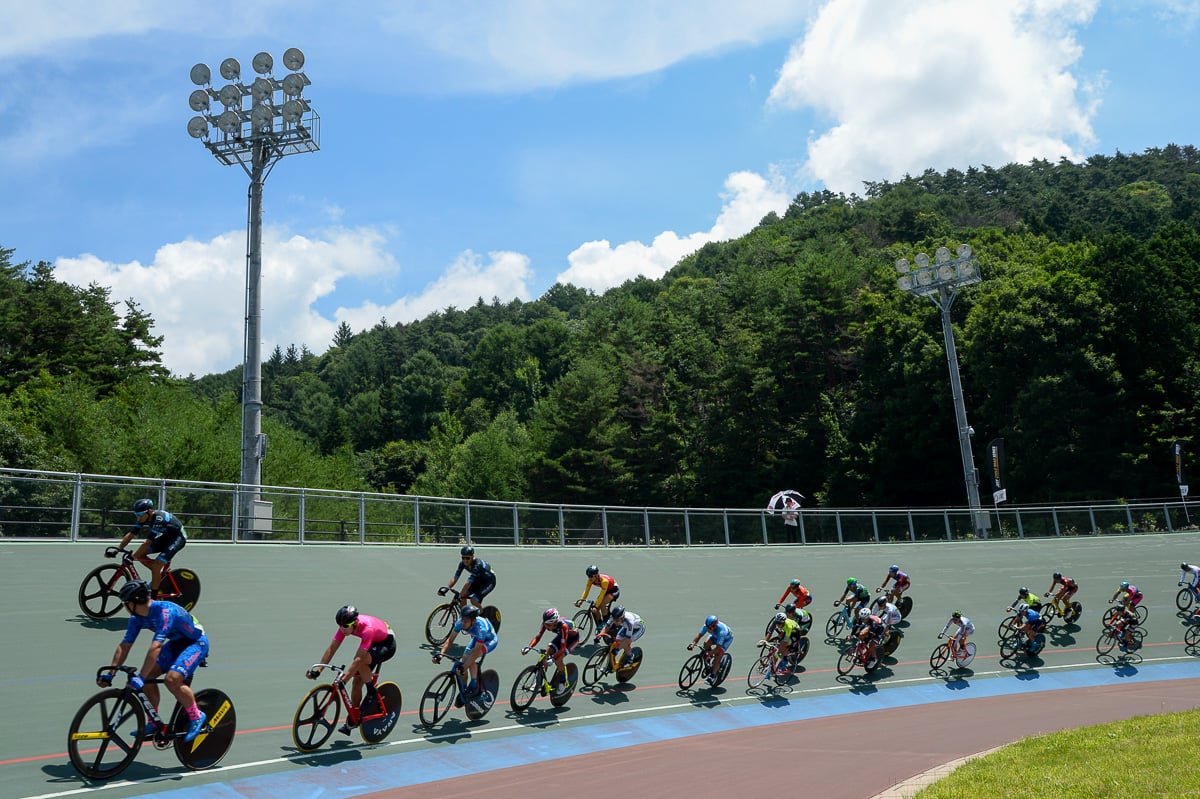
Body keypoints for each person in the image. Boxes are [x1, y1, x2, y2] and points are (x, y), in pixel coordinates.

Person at [98, 579, 209, 743]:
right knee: (149, 677)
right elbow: (125, 645)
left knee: (171, 680)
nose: (124, 607)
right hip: (176, 643)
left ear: (134, 602)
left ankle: (197, 715)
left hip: (195, 643)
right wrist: (111, 673)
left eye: (125, 603)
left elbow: (156, 647)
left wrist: (140, 678)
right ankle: (153, 721)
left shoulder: (165, 612)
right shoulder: (137, 618)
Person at [307, 605, 396, 734]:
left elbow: (359, 659)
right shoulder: (345, 626)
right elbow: (332, 648)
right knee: (356, 684)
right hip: (372, 642)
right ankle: (355, 717)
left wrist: (344, 679)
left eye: (344, 627)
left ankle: (371, 691)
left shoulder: (367, 629)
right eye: (339, 626)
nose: (341, 629)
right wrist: (319, 670)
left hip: (386, 644)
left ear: (354, 623)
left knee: (359, 660)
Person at [115, 498, 186, 598]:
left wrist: (133, 557)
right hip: (166, 537)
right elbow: (131, 534)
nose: (138, 518)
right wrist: (118, 549)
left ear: (149, 512)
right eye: (136, 515)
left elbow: (147, 542)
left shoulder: (159, 519)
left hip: (177, 539)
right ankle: (159, 574)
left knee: (155, 565)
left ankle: (153, 595)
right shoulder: (144, 517)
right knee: (141, 556)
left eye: (140, 515)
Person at [433, 604, 498, 699]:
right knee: (464, 659)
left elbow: (475, 652)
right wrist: (441, 655)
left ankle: (474, 685)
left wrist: (464, 667)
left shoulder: (481, 628)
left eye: (466, 621)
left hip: (489, 640)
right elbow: (450, 640)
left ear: (473, 621)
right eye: (462, 619)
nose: (463, 623)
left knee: (470, 657)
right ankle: (464, 689)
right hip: (477, 639)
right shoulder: (460, 622)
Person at [522, 608, 580, 684]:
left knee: (558, 660)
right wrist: (529, 647)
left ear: (555, 623)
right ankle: (538, 683)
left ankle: (563, 681)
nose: (546, 627)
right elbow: (538, 637)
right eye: (545, 624)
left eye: (548, 625)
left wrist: (553, 659)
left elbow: (562, 648)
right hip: (562, 636)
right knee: (544, 656)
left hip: (572, 640)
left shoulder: (564, 626)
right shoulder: (546, 623)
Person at [440, 545, 497, 611]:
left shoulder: (477, 565)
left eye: (467, 558)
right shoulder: (462, 564)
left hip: (489, 582)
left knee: (474, 600)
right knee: (463, 596)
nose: (465, 560)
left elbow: (469, 582)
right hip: (478, 580)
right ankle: (465, 617)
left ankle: (483, 617)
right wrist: (447, 588)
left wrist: (460, 596)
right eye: (463, 558)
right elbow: (455, 577)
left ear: (472, 557)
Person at [595, 604, 645, 671]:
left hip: (638, 629)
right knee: (617, 641)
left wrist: (617, 649)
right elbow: (606, 627)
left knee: (625, 644)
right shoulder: (613, 617)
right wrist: (599, 636)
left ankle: (630, 658)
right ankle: (611, 665)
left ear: (622, 618)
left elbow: (627, 640)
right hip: (626, 627)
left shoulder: (629, 622)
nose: (615, 622)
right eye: (614, 620)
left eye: (617, 620)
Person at [688, 614, 732, 685]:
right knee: (706, 644)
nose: (708, 629)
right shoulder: (707, 626)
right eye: (708, 627)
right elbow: (699, 635)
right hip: (715, 636)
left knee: (718, 654)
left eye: (710, 628)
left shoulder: (722, 632)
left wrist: (710, 653)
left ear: (715, 626)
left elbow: (717, 649)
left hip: (726, 639)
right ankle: (709, 660)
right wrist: (693, 644)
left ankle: (712, 676)